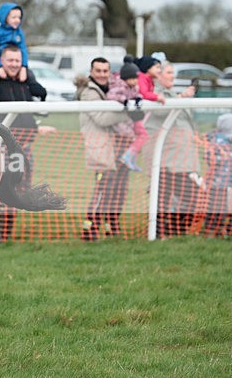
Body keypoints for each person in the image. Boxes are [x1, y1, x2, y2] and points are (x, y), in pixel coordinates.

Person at [0, 45, 54, 241]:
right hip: (1, 147)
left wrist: (30, 80)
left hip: (25, 147)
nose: (14, 64)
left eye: (17, 60)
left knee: (20, 190)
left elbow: (42, 96)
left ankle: (6, 235)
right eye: (10, 60)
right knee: (0, 191)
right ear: (2, 61)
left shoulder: (25, 81)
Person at [75, 57, 140, 241]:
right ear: (92, 72)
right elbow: (102, 118)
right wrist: (128, 111)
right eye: (99, 71)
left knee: (119, 189)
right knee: (103, 190)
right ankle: (89, 229)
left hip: (118, 146)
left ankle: (111, 226)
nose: (103, 75)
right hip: (100, 148)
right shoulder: (89, 93)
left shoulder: (113, 88)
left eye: (106, 71)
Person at [142, 62, 200, 238]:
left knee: (189, 197)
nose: (172, 76)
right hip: (165, 160)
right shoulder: (154, 92)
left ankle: (173, 231)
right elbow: (160, 111)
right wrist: (182, 97)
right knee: (163, 199)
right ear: (158, 75)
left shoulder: (172, 93)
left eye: (173, 72)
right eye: (168, 72)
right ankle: (160, 232)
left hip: (180, 160)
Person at [107, 57, 148, 171]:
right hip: (121, 121)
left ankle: (129, 158)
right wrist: (123, 99)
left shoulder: (134, 87)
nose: (135, 81)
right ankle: (127, 157)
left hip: (130, 118)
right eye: (133, 78)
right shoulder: (119, 86)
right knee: (136, 135)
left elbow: (136, 94)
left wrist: (138, 99)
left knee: (142, 134)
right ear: (126, 78)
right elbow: (110, 96)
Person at [0, 2, 29, 84]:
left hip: (15, 63)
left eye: (19, 18)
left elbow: (23, 49)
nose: (17, 20)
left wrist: (24, 66)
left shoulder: (19, 33)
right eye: (14, 17)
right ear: (5, 18)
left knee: (29, 76)